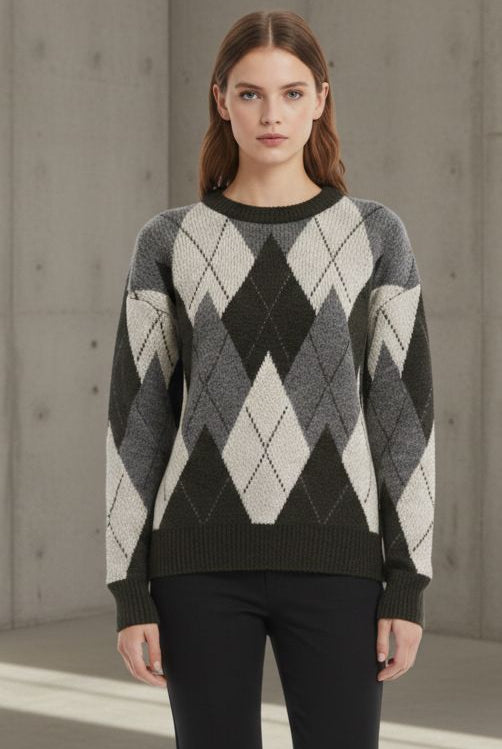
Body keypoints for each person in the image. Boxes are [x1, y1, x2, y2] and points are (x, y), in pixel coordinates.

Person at [105, 9, 436, 748]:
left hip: (341, 564)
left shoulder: (375, 235)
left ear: (321, 99)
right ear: (221, 101)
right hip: (196, 564)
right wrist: (130, 593)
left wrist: (407, 582)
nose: (271, 114)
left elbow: (403, 420)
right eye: (250, 93)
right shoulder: (168, 241)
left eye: (291, 93)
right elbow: (137, 423)